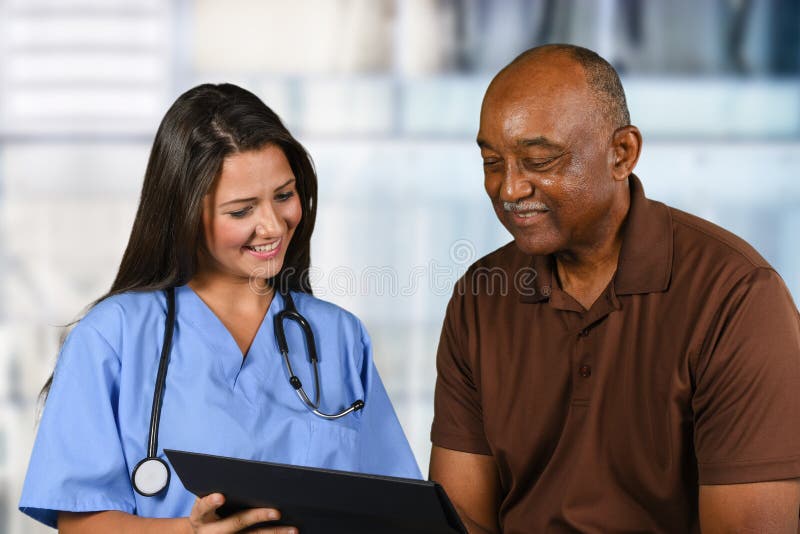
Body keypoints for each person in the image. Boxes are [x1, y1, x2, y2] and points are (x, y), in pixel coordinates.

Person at [429, 44, 800, 533]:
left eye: (538, 160)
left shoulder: (736, 297)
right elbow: (463, 521)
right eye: (492, 161)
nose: (509, 189)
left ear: (621, 153)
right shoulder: (479, 297)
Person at [19, 83, 421, 532]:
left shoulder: (339, 337)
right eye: (241, 210)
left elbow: (394, 509)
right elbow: (79, 523)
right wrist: (186, 532)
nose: (272, 225)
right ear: (186, 215)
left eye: (284, 196)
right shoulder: (111, 337)